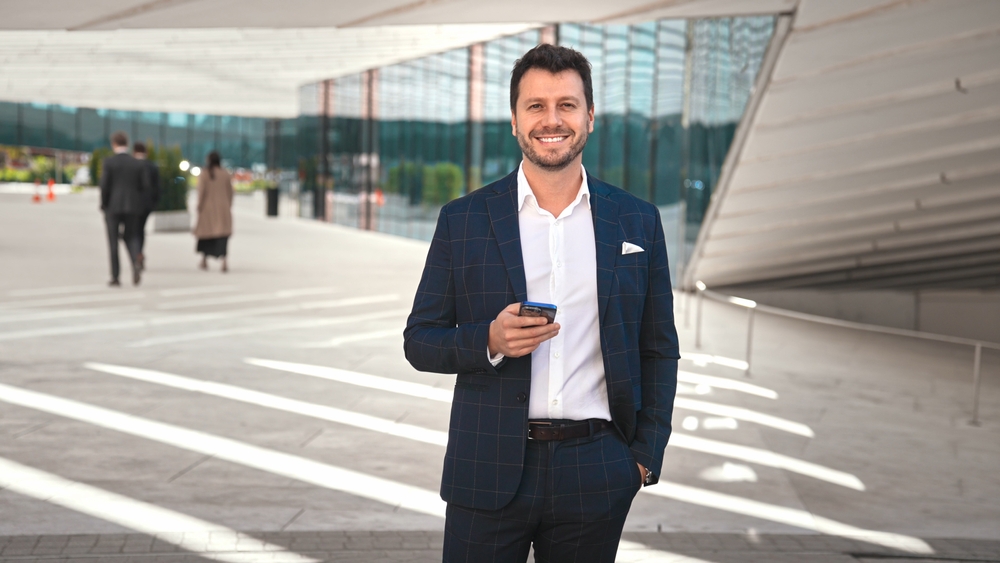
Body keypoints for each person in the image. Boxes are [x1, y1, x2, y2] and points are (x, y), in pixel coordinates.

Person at [404, 44, 679, 563]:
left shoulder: (638, 221)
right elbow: (419, 340)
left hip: (597, 469)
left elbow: (659, 347)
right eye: (536, 106)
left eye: (566, 105)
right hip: (485, 467)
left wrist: (643, 456)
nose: (552, 120)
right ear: (514, 120)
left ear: (590, 116)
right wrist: (488, 340)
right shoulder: (463, 220)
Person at [100, 131, 149, 287]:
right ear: (127, 144)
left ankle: (115, 277)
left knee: (113, 242)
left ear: (114, 144)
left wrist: (104, 204)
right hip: (132, 207)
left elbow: (104, 186)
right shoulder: (136, 163)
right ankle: (136, 259)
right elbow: (145, 186)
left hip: (113, 207)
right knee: (131, 236)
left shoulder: (109, 162)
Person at [192, 151, 233, 272]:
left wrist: (199, 206)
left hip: (207, 209)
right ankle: (224, 261)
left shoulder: (205, 174)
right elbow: (230, 192)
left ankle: (204, 260)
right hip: (223, 209)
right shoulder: (225, 174)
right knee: (222, 236)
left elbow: (201, 192)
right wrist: (228, 205)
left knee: (206, 236)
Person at [133, 142, 160, 271]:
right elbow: (157, 188)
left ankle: (137, 253)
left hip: (132, 205)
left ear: (134, 152)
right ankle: (139, 252)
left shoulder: (131, 165)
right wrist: (154, 203)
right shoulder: (152, 166)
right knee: (141, 229)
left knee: (133, 230)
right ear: (146, 152)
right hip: (146, 205)